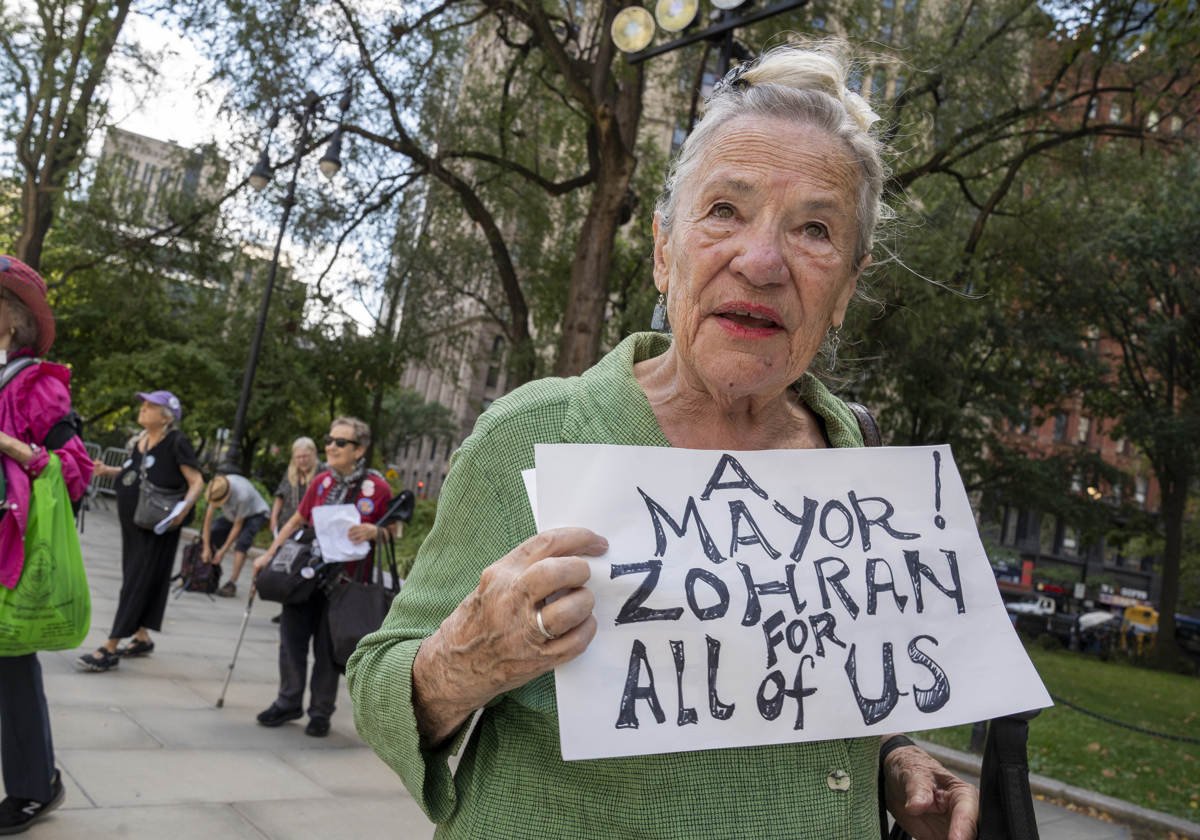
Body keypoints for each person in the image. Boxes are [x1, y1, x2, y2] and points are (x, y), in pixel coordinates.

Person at [347, 41, 980, 840]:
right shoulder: (533, 436)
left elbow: (827, 680)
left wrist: (895, 756)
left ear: (847, 288)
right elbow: (377, 682)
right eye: (725, 212)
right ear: (662, 251)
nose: (761, 261)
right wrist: (466, 661)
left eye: (815, 229)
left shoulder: (859, 457)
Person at [0, 256, 94, 834]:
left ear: (12, 320)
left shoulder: (36, 386)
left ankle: (36, 786)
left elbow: (75, 468)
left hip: (9, 545)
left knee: (10, 663)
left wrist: (12, 446)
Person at [253, 417, 392, 737]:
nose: (331, 446)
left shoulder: (377, 487)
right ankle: (288, 701)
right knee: (291, 642)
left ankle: (320, 712)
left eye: (341, 442)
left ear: (359, 450)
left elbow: (392, 531)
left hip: (343, 585)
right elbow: (295, 522)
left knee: (328, 651)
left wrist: (374, 531)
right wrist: (269, 555)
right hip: (304, 576)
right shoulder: (321, 482)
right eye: (329, 440)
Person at [82, 391, 204, 672]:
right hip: (133, 525)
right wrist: (107, 471)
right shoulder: (141, 441)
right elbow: (133, 473)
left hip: (156, 526)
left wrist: (183, 509)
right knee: (135, 577)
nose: (143, 409)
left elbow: (196, 481)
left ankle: (110, 646)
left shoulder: (176, 442)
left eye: (150, 406)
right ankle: (141, 636)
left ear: (166, 417)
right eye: (144, 405)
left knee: (135, 581)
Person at [201, 473, 270, 597]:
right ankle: (209, 572)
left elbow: (238, 526)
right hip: (232, 515)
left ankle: (232, 583)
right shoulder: (216, 488)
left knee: (242, 543)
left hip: (254, 514)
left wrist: (222, 551)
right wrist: (206, 548)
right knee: (213, 533)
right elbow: (208, 520)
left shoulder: (242, 494)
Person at [271, 437, 321, 537]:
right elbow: (280, 496)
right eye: (298, 457)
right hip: (287, 527)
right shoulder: (290, 473)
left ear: (314, 453)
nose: (302, 460)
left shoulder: (322, 473)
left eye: (305, 456)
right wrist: (273, 518)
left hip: (311, 530)